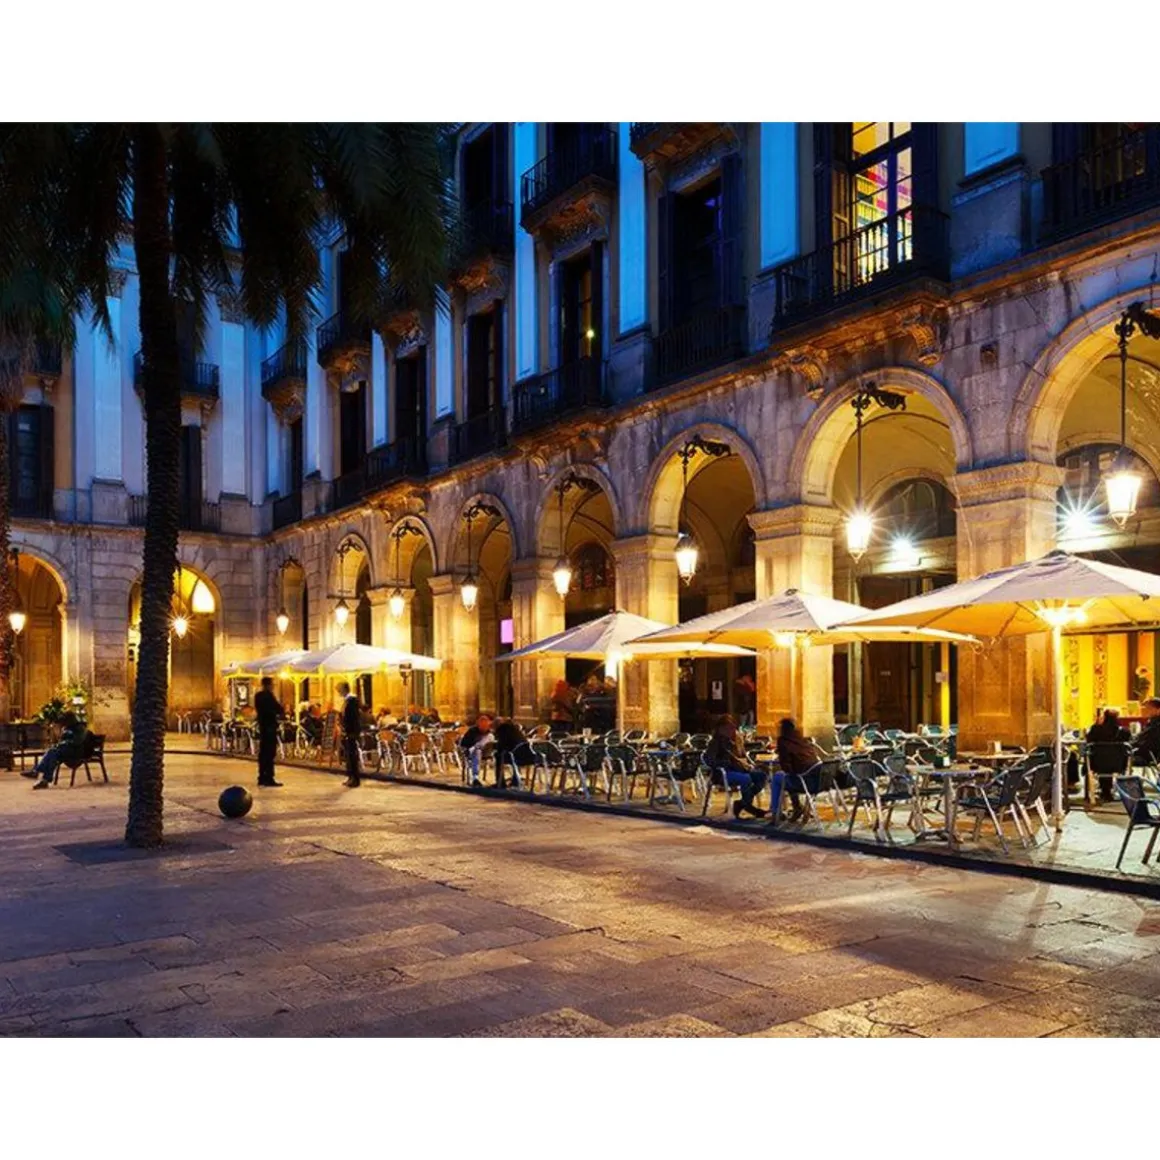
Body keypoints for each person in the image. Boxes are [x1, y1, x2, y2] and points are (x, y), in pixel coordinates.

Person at [703, 715, 768, 819]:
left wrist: (748, 763)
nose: (731, 731)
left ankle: (742, 804)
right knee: (746, 778)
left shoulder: (736, 740)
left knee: (761, 776)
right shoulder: (715, 742)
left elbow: (743, 756)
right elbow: (709, 760)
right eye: (727, 728)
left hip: (740, 769)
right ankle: (749, 807)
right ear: (720, 729)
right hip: (723, 773)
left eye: (732, 727)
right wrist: (726, 763)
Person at [775, 717, 821, 823]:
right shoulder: (803, 739)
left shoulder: (783, 741)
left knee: (777, 778)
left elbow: (786, 766)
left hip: (803, 782)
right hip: (818, 781)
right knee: (790, 775)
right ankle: (797, 807)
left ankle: (775, 812)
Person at [32, 712, 89, 789]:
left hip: (76, 752)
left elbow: (77, 741)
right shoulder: (66, 728)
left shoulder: (80, 728)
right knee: (52, 754)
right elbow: (61, 740)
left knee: (53, 752)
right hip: (65, 750)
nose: (64, 723)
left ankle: (38, 773)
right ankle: (44, 779)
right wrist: (61, 740)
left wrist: (64, 742)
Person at [1086, 707, 1131, 802]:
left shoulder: (1096, 729)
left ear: (1104, 717)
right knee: (1110, 758)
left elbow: (1088, 740)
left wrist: (1097, 723)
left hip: (1098, 764)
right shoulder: (1124, 731)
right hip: (1118, 764)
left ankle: (1103, 791)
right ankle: (1108, 792)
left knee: (1101, 759)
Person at [254, 676, 284, 787]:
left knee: (263, 753)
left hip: (262, 727)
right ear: (269, 685)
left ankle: (261, 777)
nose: (273, 686)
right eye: (272, 684)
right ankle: (269, 778)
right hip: (270, 727)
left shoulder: (258, 696)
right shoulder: (269, 696)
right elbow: (279, 709)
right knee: (270, 753)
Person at [493, 717, 529, 788]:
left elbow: (502, 745)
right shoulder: (516, 730)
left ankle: (500, 782)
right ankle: (515, 780)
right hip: (526, 756)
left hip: (514, 756)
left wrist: (496, 749)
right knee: (514, 756)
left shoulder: (502, 729)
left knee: (498, 756)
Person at [338, 682, 362, 788]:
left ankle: (355, 778)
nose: (338, 692)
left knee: (352, 756)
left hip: (351, 732)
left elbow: (353, 718)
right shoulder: (347, 701)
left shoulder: (352, 701)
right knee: (348, 756)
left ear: (344, 689)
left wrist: (352, 731)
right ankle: (350, 777)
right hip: (347, 732)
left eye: (339, 689)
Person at [459, 714, 494, 786]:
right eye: (482, 722)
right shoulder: (472, 731)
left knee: (490, 737)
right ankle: (475, 778)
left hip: (486, 752)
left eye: (486, 723)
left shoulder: (490, 732)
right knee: (477, 751)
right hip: (471, 752)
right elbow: (463, 744)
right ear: (478, 723)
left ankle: (477, 747)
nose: (484, 725)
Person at [1133, 697, 1160, 768]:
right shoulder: (1152, 722)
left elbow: (1146, 741)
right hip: (1146, 753)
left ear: (1158, 710)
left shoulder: (1156, 724)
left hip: (1149, 756)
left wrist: (1133, 745)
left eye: (1149, 708)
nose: (1146, 710)